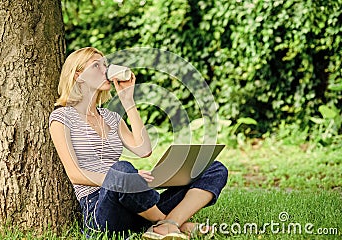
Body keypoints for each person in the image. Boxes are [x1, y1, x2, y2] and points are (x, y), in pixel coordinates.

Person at [49, 47, 228, 239]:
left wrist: (128, 100)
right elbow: (75, 174)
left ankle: (167, 224)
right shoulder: (62, 117)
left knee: (214, 168)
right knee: (122, 169)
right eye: (96, 66)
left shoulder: (111, 118)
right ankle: (170, 223)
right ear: (78, 76)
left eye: (105, 65)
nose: (105, 70)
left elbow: (144, 150)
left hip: (138, 204)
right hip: (101, 209)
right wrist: (123, 180)